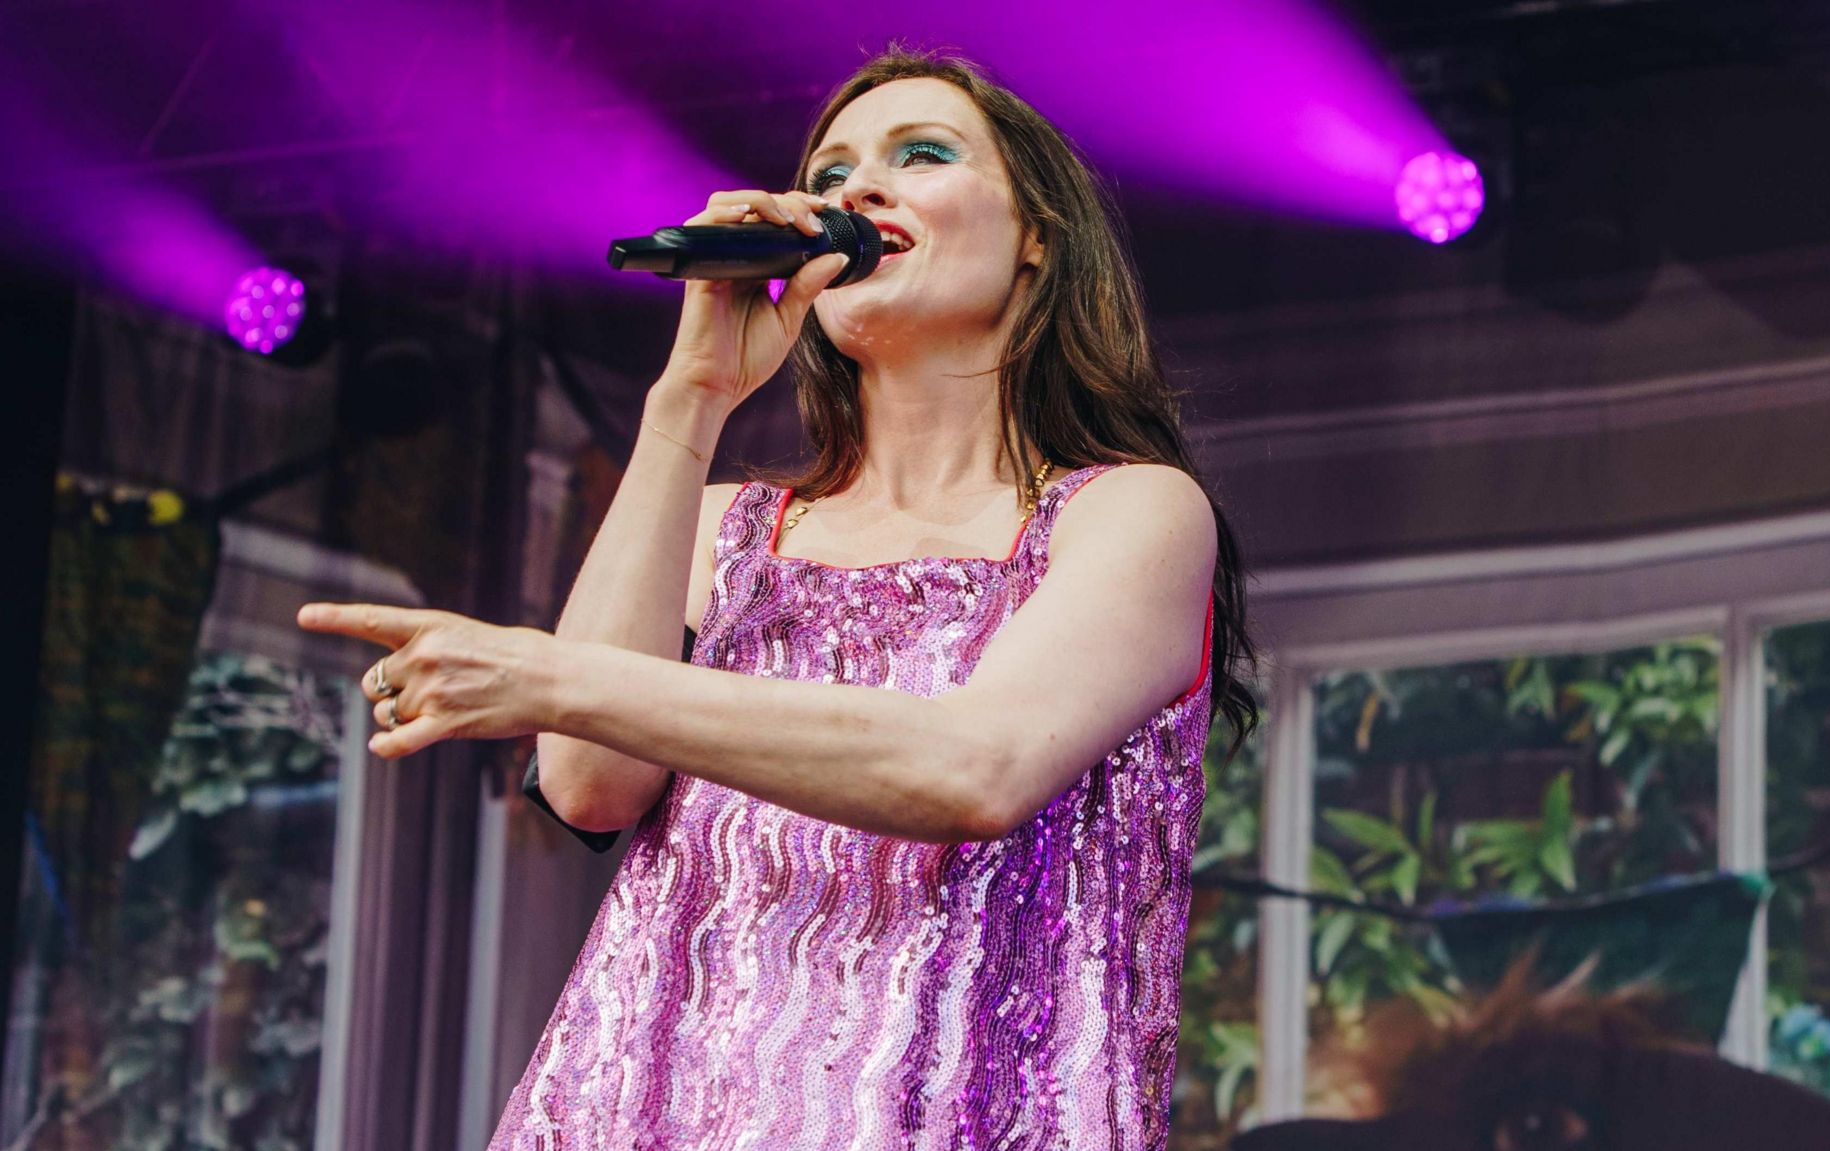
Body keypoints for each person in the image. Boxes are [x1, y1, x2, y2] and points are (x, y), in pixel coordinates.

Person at [297, 45, 1258, 1149]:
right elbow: (588, 781)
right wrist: (688, 400)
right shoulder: (728, 526)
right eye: (832, 171)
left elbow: (971, 768)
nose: (854, 190)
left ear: (1036, 237)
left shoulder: (1129, 513)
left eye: (920, 154)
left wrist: (546, 670)